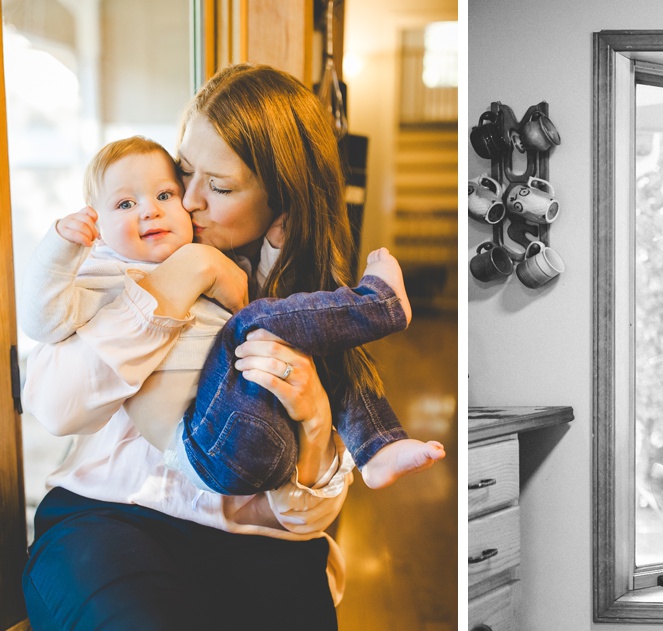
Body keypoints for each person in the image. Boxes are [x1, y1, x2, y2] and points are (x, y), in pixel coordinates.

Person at [20, 64, 433, 631]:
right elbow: (55, 406)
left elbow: (304, 521)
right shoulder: (114, 262)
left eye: (219, 186)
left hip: (254, 540)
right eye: (185, 171)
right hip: (106, 517)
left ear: (279, 201)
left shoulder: (303, 307)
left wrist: (316, 430)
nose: (184, 201)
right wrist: (187, 272)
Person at [19, 135, 443, 495]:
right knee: (255, 325)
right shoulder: (103, 272)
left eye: (164, 195)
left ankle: (377, 447)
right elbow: (45, 320)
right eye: (125, 204)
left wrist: (273, 260)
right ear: (97, 224)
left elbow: (249, 299)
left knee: (318, 341)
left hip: (264, 436)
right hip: (208, 446)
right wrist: (61, 247)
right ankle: (380, 304)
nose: (149, 210)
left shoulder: (220, 261)